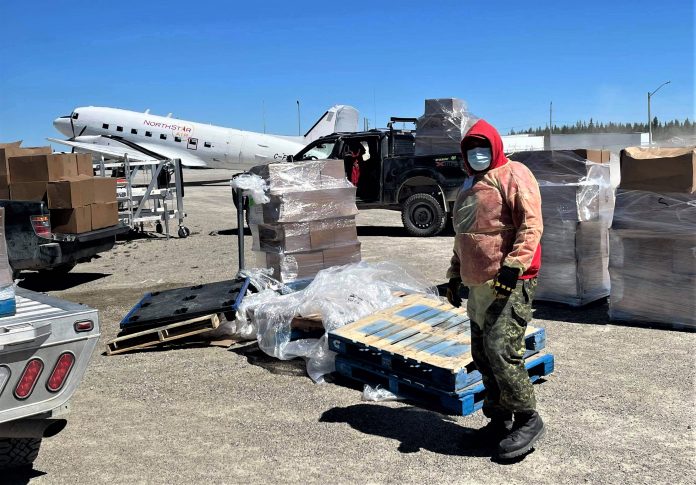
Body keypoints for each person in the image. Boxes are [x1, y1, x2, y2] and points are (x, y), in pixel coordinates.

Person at [445, 119, 544, 460]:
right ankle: (499, 419)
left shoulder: (514, 174)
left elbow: (531, 225)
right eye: (471, 150)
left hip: (509, 282)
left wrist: (514, 267)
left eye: (483, 148)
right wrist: (456, 274)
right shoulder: (469, 184)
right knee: (482, 354)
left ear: (495, 147)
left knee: (502, 349)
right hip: (478, 285)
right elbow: (464, 236)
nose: (478, 155)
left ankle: (528, 418)